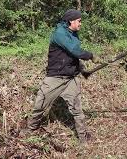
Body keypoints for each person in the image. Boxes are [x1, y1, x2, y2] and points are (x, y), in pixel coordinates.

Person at [28, 9, 96, 142]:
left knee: (77, 109)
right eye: (79, 21)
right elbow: (75, 50)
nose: (81, 24)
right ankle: (30, 129)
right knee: (40, 105)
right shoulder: (59, 34)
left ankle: (83, 138)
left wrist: (81, 69)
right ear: (71, 21)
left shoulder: (74, 33)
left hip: (71, 78)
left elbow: (72, 56)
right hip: (55, 77)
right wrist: (91, 55)